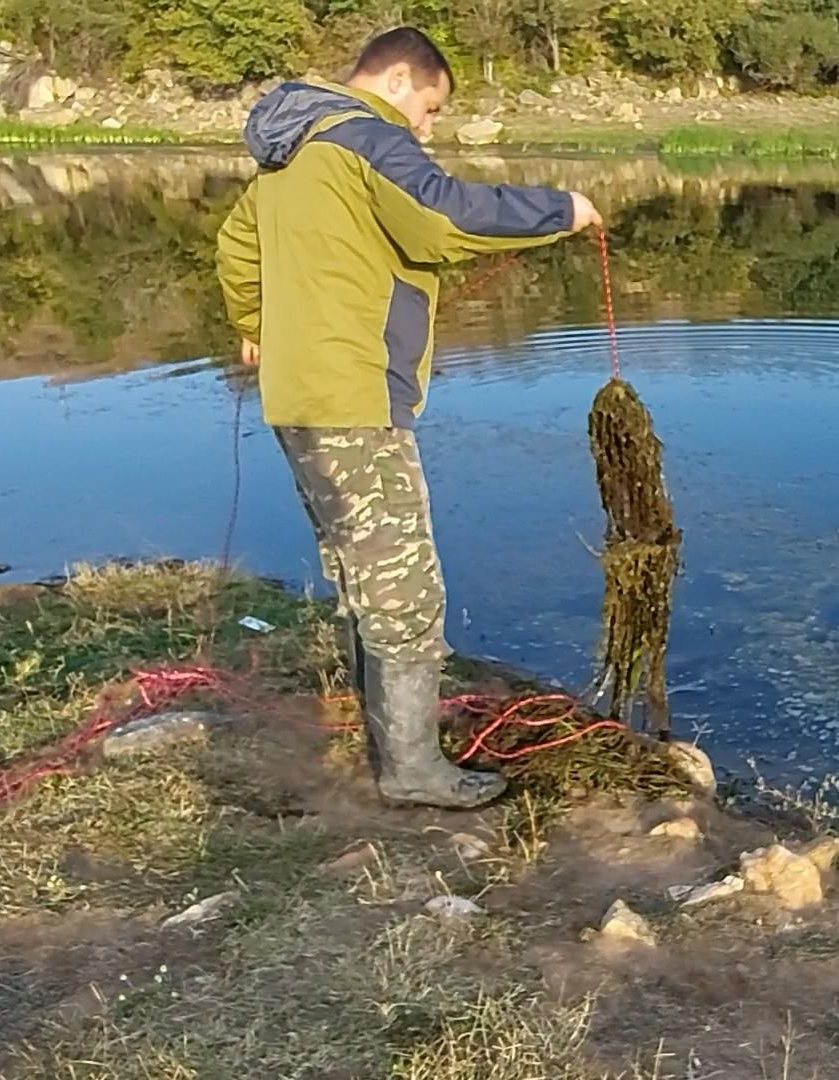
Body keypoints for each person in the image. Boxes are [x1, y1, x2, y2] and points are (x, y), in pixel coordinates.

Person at [214, 26, 602, 809]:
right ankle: (413, 773)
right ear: (397, 79)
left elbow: (235, 247)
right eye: (429, 109)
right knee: (404, 590)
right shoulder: (366, 138)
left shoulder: (292, 151)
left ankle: (395, 753)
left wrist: (254, 325)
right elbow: (444, 216)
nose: (427, 129)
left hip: (299, 395)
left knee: (364, 575)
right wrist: (563, 208)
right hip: (353, 399)